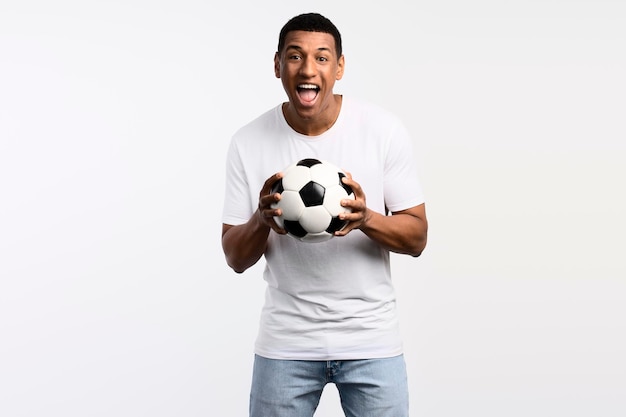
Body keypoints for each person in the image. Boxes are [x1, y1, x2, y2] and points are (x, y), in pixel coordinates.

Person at [221, 12, 428, 417]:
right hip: (286, 343)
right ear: (278, 64)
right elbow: (234, 257)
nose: (308, 69)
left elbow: (417, 238)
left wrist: (366, 218)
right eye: (295, 56)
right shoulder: (247, 142)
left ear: (339, 67)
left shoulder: (383, 131)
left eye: (321, 57)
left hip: (371, 341)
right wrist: (261, 220)